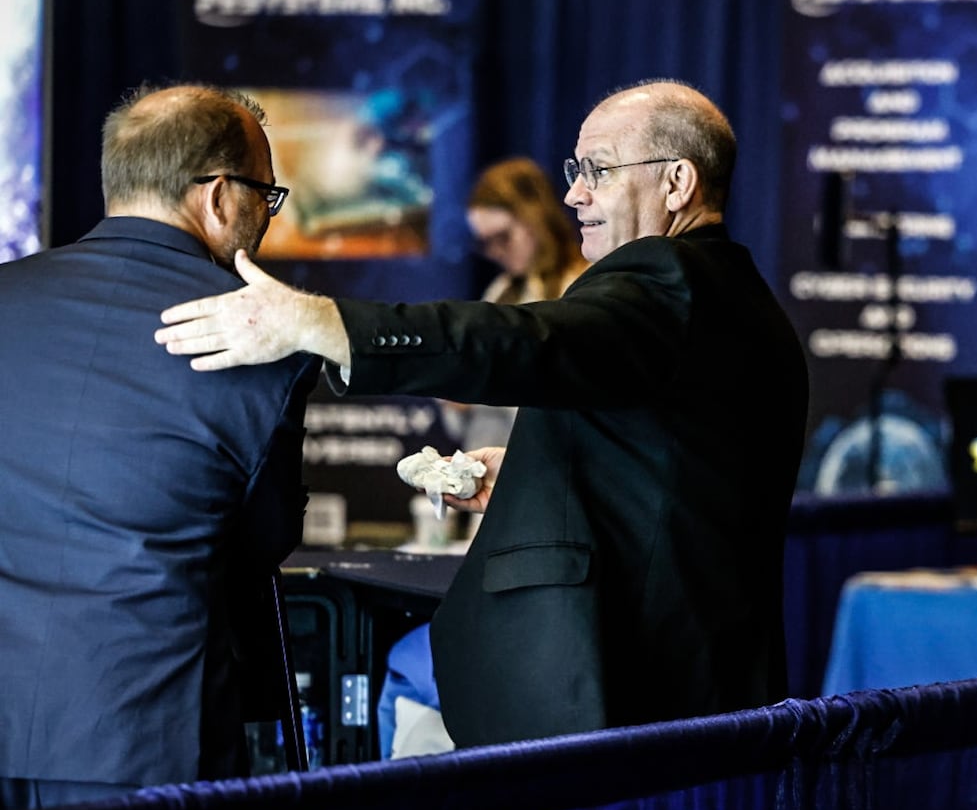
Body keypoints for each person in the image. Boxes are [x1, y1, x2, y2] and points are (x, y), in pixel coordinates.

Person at [156, 79, 811, 747]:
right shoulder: (736, 299)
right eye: (575, 171)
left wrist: (323, 324)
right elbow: (668, 473)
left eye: (599, 170)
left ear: (677, 183)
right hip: (699, 687)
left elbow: (528, 342)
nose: (574, 193)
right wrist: (531, 472)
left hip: (627, 696)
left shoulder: (666, 277)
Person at [0, 83, 318, 810]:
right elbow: (261, 545)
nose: (264, 221)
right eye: (266, 198)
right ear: (217, 197)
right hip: (145, 742)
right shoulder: (260, 337)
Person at [444, 156, 588, 453]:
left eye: (502, 237)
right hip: (489, 468)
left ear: (536, 218)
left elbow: (572, 404)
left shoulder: (582, 286)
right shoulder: (501, 289)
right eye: (484, 243)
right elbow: (464, 408)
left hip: (550, 470)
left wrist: (486, 382)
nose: (495, 252)